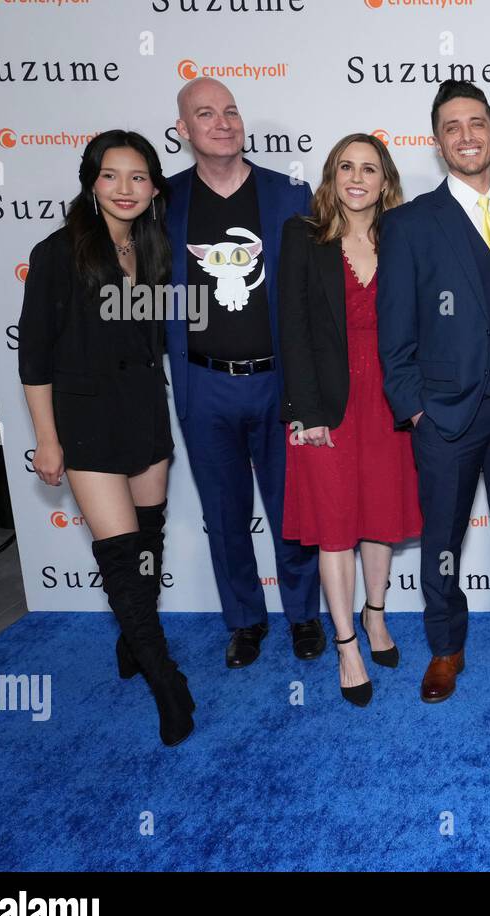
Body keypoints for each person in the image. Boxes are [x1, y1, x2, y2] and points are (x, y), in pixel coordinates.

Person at [19, 130, 193, 746]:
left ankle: (131, 641)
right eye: (112, 176)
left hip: (145, 416)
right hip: (87, 425)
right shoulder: (59, 253)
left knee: (148, 540)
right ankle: (164, 677)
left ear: (153, 187)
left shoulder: (151, 249)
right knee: (121, 556)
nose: (126, 189)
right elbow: (34, 359)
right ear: (91, 182)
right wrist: (48, 439)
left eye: (139, 177)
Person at [378, 80, 490, 704]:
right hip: (445, 415)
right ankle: (446, 648)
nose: (467, 135)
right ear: (437, 141)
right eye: (453, 127)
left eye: (477, 124)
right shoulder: (410, 225)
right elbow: (394, 335)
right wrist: (416, 409)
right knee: (443, 539)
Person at [165, 78, 324, 670]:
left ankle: (303, 615)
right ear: (184, 130)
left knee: (293, 511)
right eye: (206, 114)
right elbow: (148, 291)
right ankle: (245, 621)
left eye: (230, 110)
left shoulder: (290, 195)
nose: (223, 122)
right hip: (203, 384)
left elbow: (315, 294)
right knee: (224, 514)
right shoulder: (165, 202)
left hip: (279, 382)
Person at [280, 133, 421, 708]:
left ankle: (376, 613)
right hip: (326, 406)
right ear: (331, 177)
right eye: (346, 167)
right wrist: (306, 412)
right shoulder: (303, 236)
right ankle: (345, 644)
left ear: (385, 180)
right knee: (335, 526)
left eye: (369, 168)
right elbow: (292, 328)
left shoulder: (403, 236)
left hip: (389, 399)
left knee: (381, 517)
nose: (357, 178)